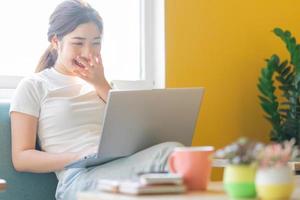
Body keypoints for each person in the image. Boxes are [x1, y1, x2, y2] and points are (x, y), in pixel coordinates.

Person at [9, 0, 182, 199]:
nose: (88, 52)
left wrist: (101, 83)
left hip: (118, 167)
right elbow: (21, 158)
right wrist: (79, 157)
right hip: (78, 178)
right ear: (56, 42)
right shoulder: (34, 85)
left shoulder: (105, 87)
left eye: (96, 43)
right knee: (169, 154)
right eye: (78, 43)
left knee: (176, 153)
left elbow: (133, 131)